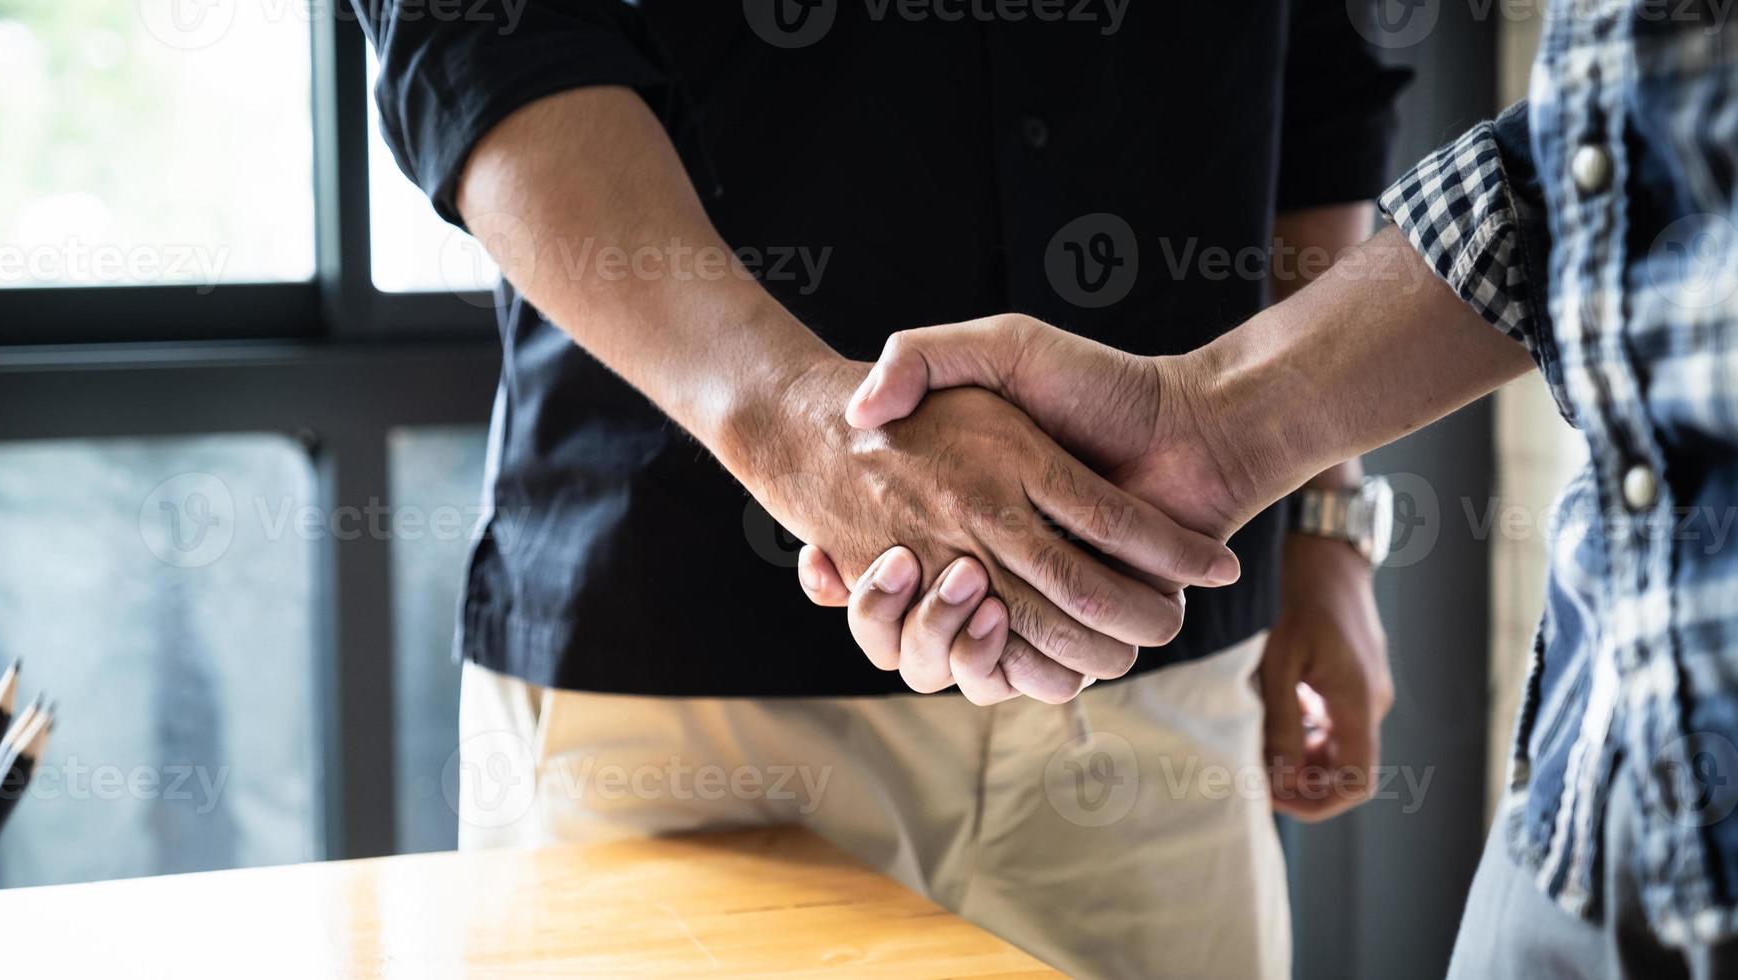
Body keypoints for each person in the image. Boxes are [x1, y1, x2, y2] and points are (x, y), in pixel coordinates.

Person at [355, 2, 1405, 975]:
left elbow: (1318, 72)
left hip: (1166, 664)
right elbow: (473, 31)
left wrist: (1323, 515)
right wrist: (797, 427)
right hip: (690, 687)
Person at [800, 5, 1738, 975]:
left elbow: (1336, 85)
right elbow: (1623, 147)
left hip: (1192, 656)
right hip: (1588, 779)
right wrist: (802, 435)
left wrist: (1308, 503)